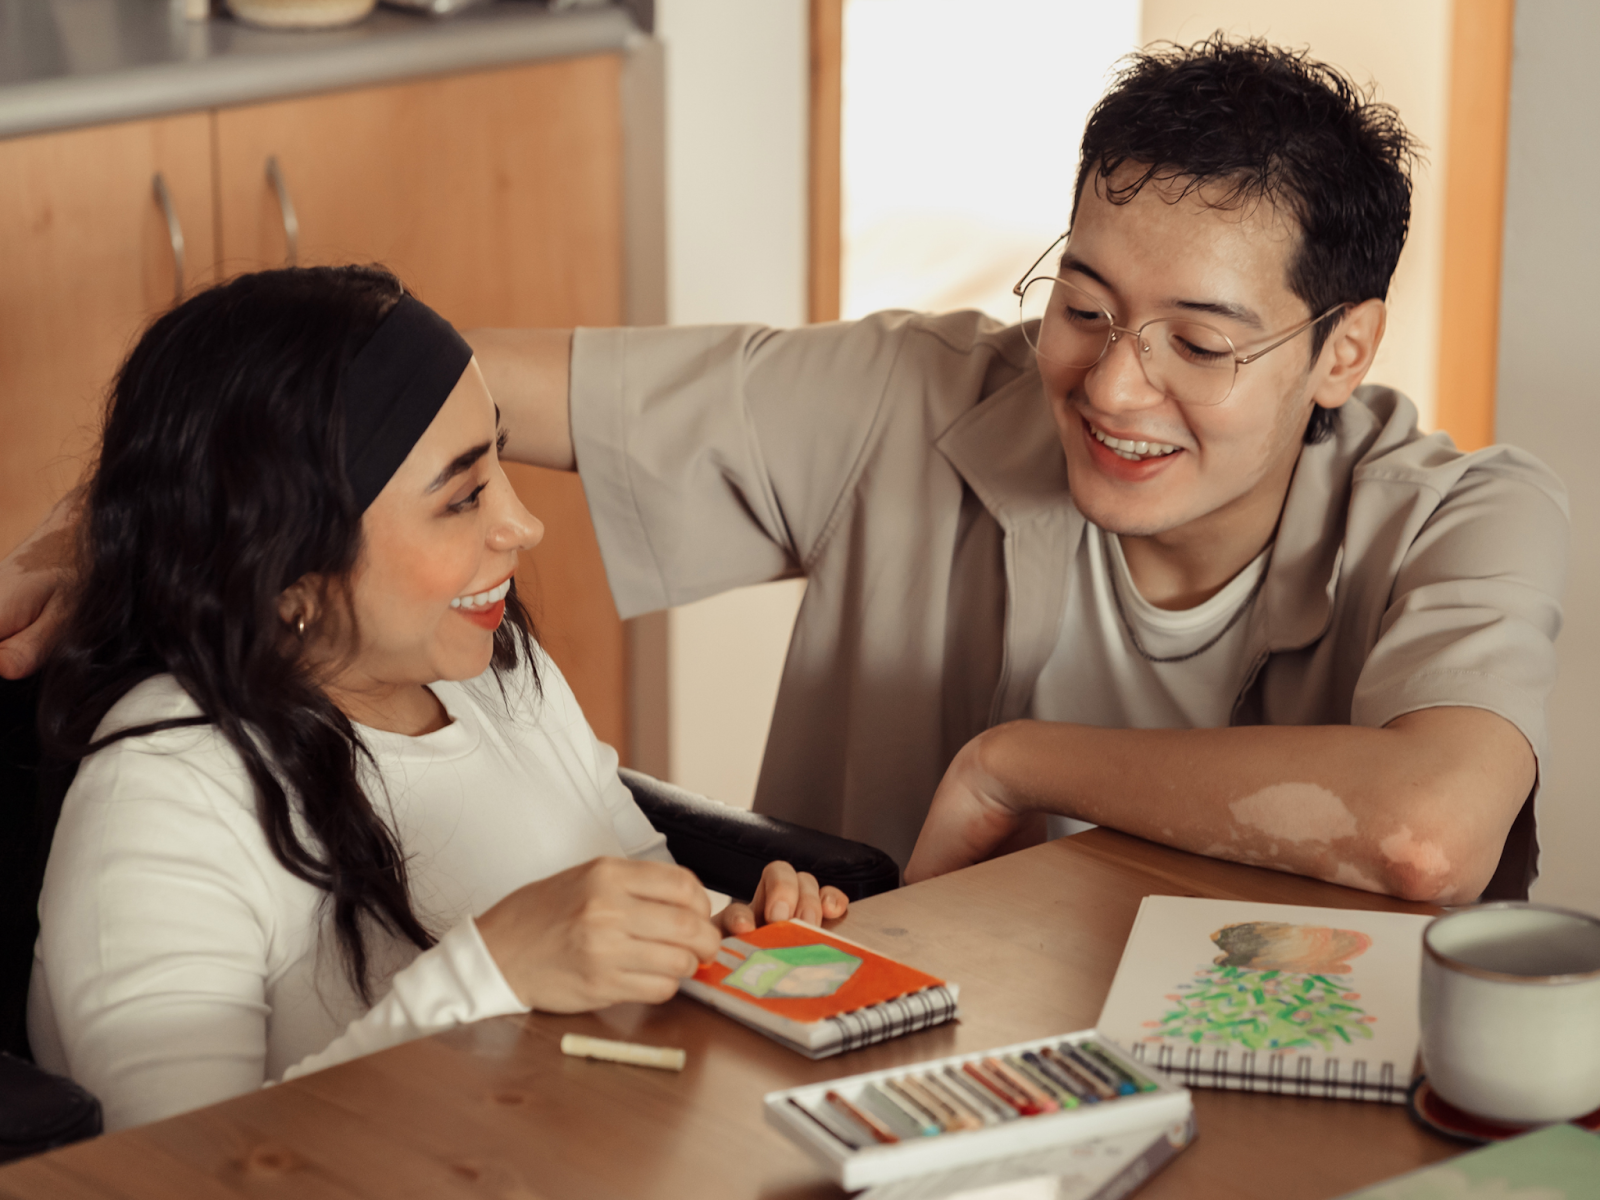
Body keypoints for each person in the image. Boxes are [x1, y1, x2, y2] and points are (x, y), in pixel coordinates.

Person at [0, 38, 1566, 906]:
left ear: (1344, 352)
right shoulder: (909, 395)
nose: (1112, 384)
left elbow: (1430, 831)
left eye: (1200, 343)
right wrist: (175, 493)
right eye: (1083, 305)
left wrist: (1018, 763)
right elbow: (420, 380)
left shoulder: (1466, 517)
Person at [23, 265, 847, 1132]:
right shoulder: (164, 788)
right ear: (287, 577)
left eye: (499, 462)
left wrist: (729, 932)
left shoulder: (496, 672)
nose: (523, 524)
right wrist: (493, 971)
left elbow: (643, 885)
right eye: (463, 498)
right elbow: (176, 1171)